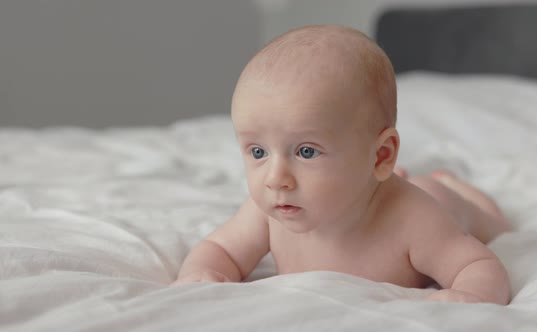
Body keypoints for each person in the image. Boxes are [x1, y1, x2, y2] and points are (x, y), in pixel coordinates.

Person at [174, 25, 511, 304]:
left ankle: (452, 184)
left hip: (438, 199)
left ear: (380, 156)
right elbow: (221, 249)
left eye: (306, 152)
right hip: (371, 183)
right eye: (258, 152)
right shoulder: (269, 212)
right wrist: (204, 272)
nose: (275, 179)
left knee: (487, 220)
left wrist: (468, 295)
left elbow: (478, 264)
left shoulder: (415, 218)